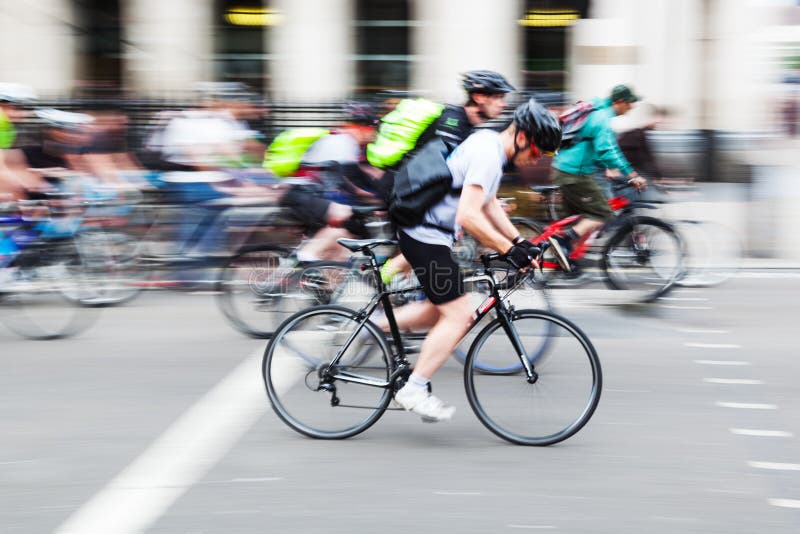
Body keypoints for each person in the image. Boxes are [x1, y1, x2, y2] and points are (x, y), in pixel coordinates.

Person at [387, 98, 562, 422]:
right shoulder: (487, 154)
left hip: (428, 235)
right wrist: (509, 251)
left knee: (432, 313)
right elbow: (469, 215)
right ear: (522, 137)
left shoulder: (489, 146)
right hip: (426, 237)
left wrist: (519, 240)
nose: (535, 160)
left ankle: (366, 328)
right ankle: (413, 388)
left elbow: (489, 204)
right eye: (538, 152)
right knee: (460, 315)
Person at [378, 70, 515, 282]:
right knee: (414, 253)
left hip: (415, 193)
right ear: (478, 97)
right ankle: (377, 293)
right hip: (407, 192)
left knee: (416, 262)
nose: (503, 104)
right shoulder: (452, 123)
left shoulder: (466, 126)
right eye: (497, 97)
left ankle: (391, 295)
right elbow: (442, 173)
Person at [548, 84, 647, 270]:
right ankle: (562, 241)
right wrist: (631, 174)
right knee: (602, 213)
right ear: (619, 102)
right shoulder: (602, 118)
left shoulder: (597, 112)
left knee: (583, 220)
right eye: (630, 102)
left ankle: (568, 263)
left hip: (567, 169)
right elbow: (606, 150)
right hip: (574, 173)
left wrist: (609, 167)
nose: (632, 106)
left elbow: (598, 147)